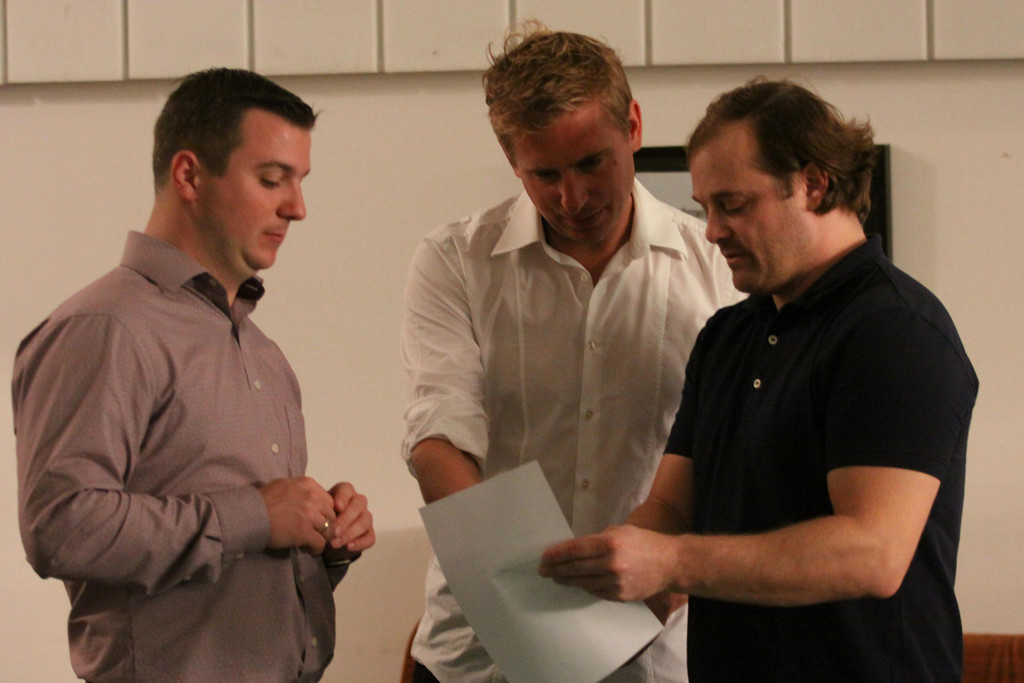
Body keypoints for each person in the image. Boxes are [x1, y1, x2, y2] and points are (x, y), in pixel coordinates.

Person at [539, 77, 979, 681]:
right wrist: (600, 570)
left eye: (734, 204)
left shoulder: (895, 331)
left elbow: (871, 553)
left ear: (814, 184)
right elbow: (671, 507)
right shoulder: (727, 336)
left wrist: (670, 562)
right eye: (705, 208)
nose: (712, 230)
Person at [401, 23, 740, 683]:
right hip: (481, 650)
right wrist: (533, 615)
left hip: (654, 651)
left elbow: (732, 459)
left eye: (591, 164)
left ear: (633, 127)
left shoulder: (718, 268)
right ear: (512, 160)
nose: (573, 197)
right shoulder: (454, 261)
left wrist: (656, 597)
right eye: (546, 174)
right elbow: (437, 438)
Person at [12, 68, 375, 682]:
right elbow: (60, 526)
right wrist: (256, 516)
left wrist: (323, 535)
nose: (297, 207)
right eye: (272, 179)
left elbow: (241, 559)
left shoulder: (262, 352)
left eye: (300, 181)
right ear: (189, 176)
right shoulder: (105, 328)